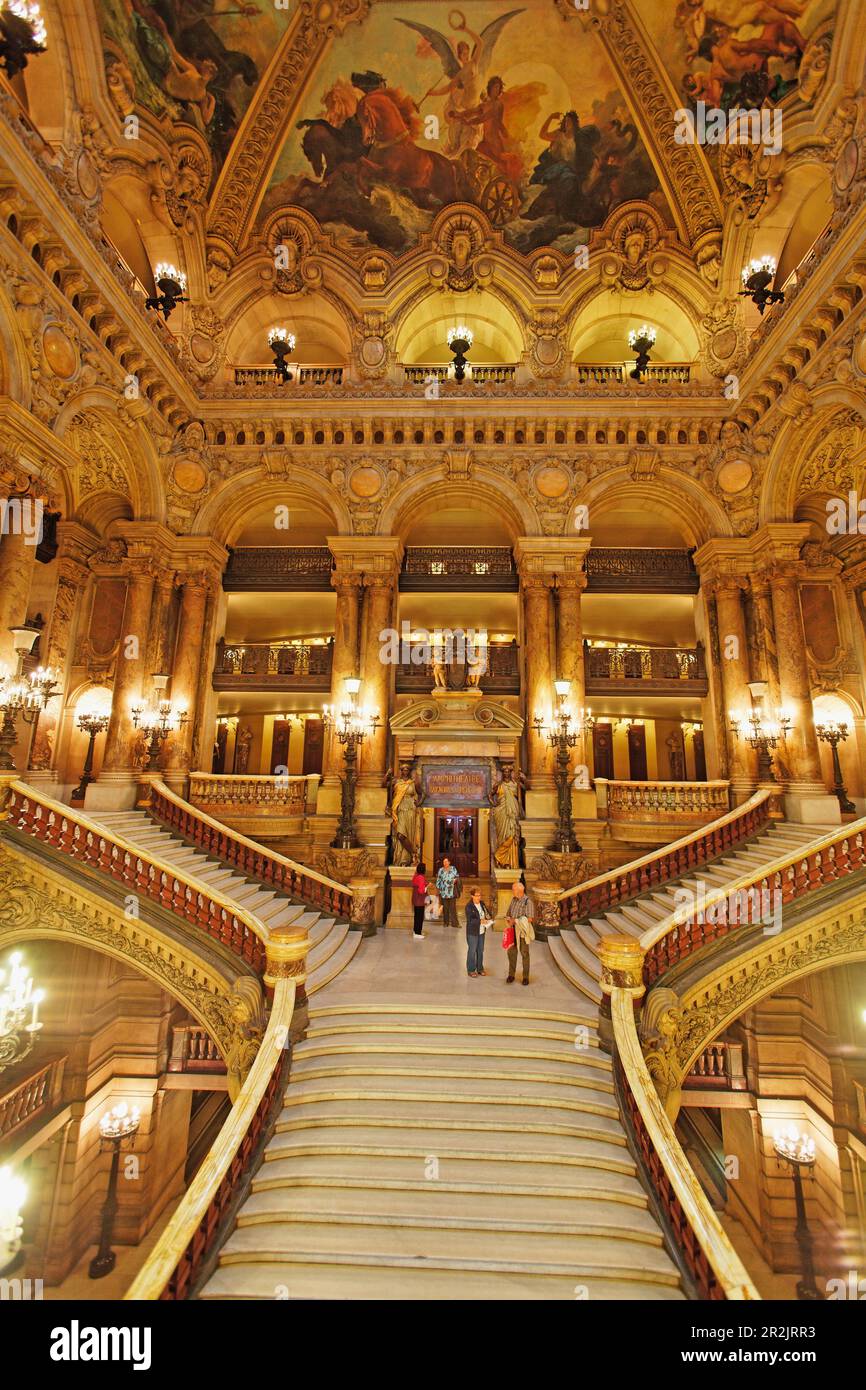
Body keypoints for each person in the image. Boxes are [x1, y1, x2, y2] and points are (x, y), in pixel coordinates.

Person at [505, 880, 534, 986]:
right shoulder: (514, 900)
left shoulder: (528, 902)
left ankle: (525, 977)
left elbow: (530, 919)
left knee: (524, 953)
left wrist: (516, 920)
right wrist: (508, 919)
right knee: (511, 952)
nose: (512, 891)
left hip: (522, 932)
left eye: (513, 889)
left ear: (519, 891)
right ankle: (511, 974)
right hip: (513, 930)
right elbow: (508, 913)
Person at [465, 886, 493, 977]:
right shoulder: (469, 906)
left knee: (480, 950)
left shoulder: (482, 904)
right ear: (472, 896)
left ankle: (480, 968)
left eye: (480, 895)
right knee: (472, 951)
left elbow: (487, 913)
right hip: (472, 932)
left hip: (481, 931)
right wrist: (480, 921)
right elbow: (470, 920)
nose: (479, 897)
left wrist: (488, 917)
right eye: (476, 895)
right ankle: (471, 970)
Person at [436, 856, 461, 928]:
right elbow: (438, 880)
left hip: (452, 891)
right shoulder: (440, 870)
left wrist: (455, 880)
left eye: (446, 861)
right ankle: (445, 923)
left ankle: (455, 923)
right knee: (445, 908)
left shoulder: (453, 868)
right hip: (444, 892)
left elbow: (457, 876)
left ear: (449, 862)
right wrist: (438, 889)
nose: (445, 863)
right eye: (444, 862)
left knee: (453, 908)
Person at [411, 861, 427, 939]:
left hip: (415, 900)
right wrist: (427, 887)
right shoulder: (421, 877)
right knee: (420, 917)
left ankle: (415, 931)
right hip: (420, 901)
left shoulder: (416, 876)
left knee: (416, 916)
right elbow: (421, 891)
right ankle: (418, 933)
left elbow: (416, 886)